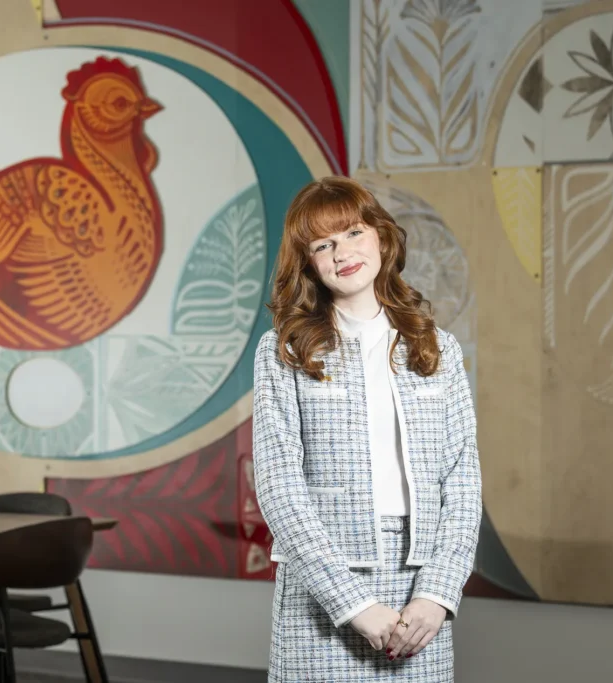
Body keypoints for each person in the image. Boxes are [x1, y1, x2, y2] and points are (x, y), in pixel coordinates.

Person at [252, 176, 482, 681]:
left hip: (419, 586)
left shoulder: (437, 349)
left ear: (380, 236)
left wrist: (438, 595)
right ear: (309, 262)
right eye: (323, 244)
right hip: (322, 582)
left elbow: (462, 485)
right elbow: (278, 487)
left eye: (354, 233)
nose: (343, 252)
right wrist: (353, 603)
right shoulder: (284, 351)